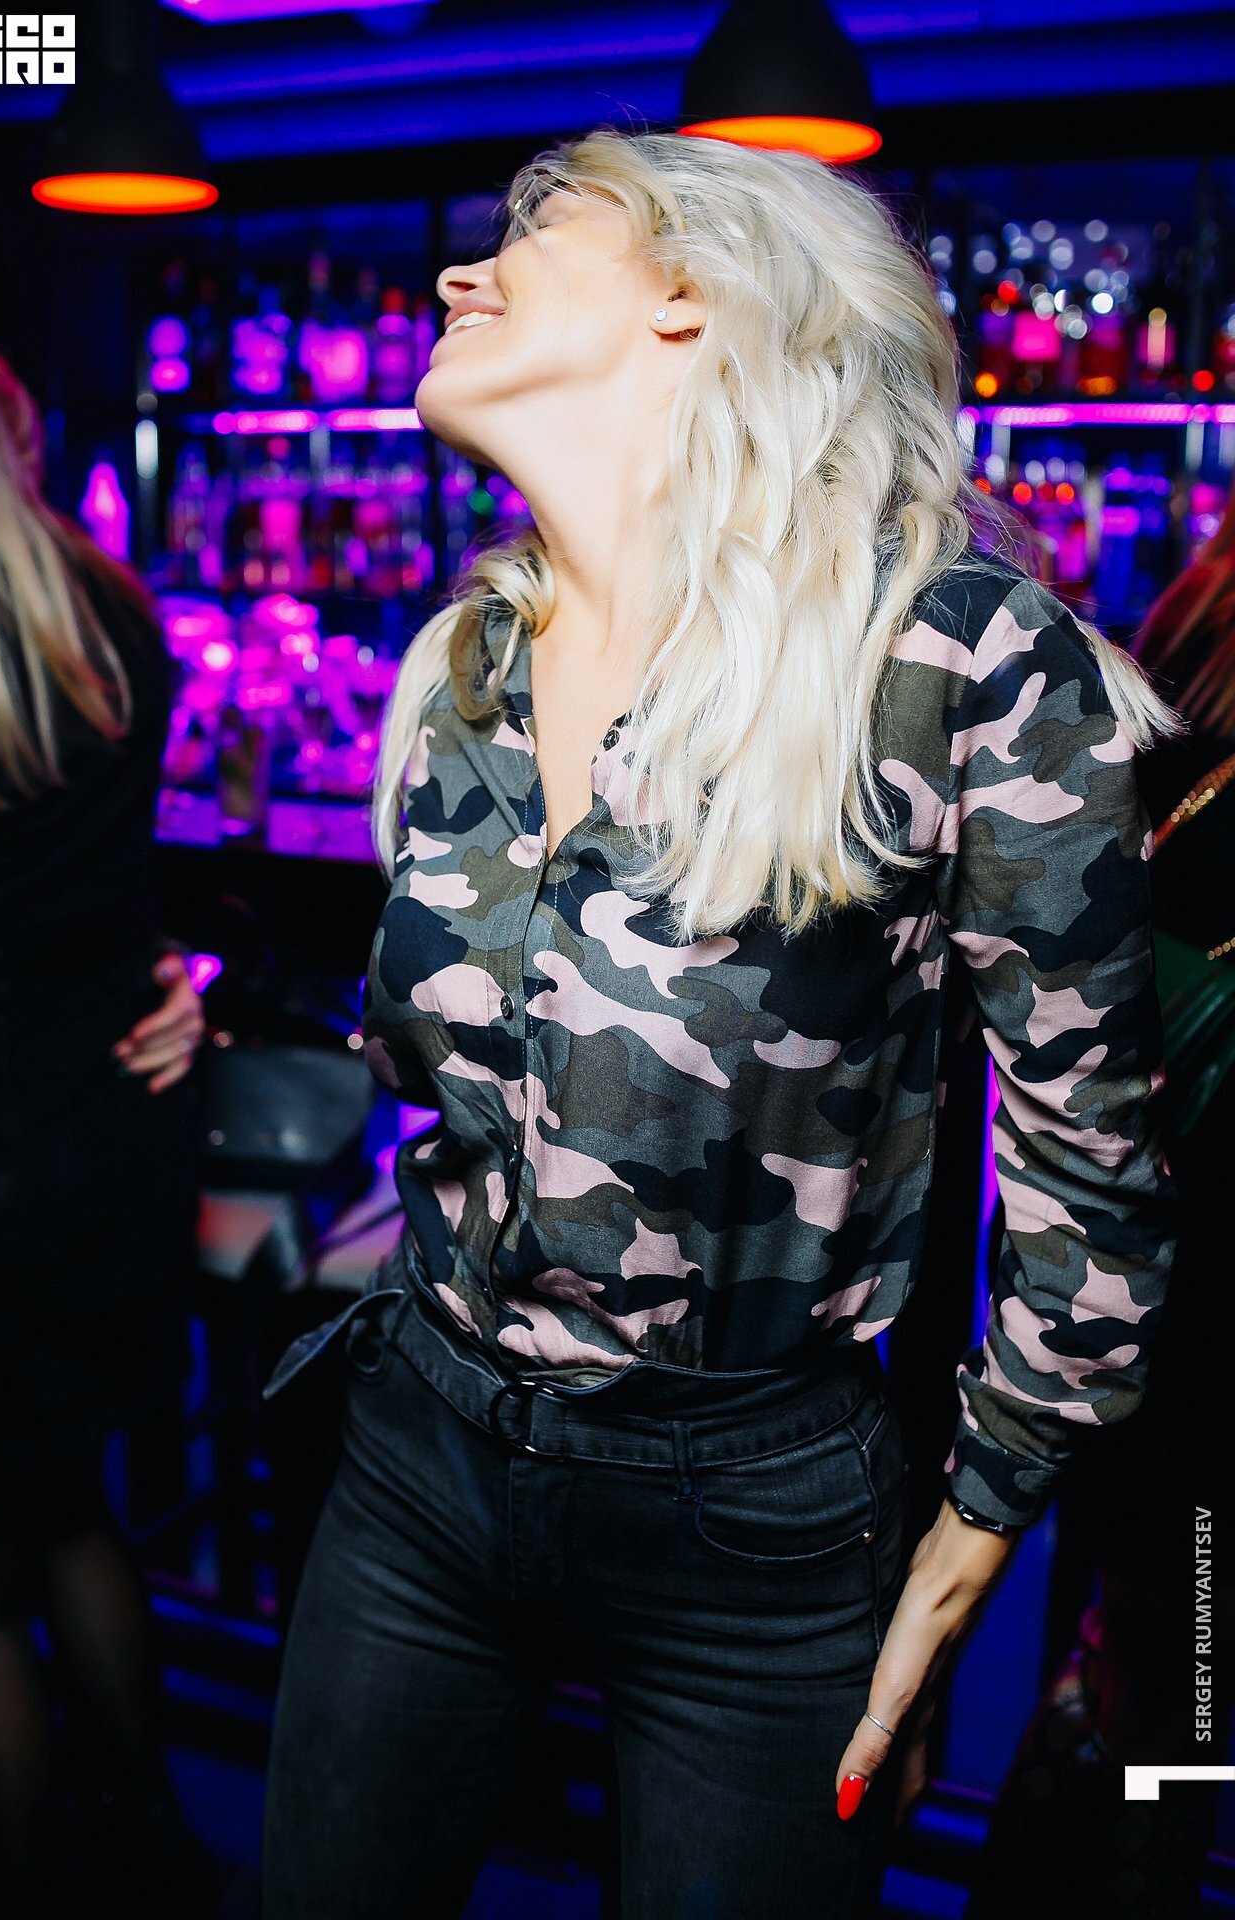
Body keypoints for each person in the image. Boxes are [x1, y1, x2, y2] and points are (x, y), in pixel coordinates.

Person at [258, 128, 1178, 1920]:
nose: (460, 271)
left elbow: (1091, 1151)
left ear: (694, 297)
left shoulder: (956, 663)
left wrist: (980, 1522)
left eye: (536, 227)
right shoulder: (469, 663)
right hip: (422, 1449)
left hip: (749, 1519)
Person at [0, 337, 210, 1918]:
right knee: (69, 1503)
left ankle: (26, 1887)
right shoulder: (108, 613)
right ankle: (155, 1854)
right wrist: (173, 975)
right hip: (105, 1126)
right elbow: (121, 878)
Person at [965, 479, 1235, 1919]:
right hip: (1190, 1322)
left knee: (1142, 1660)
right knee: (1172, 1679)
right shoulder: (1187, 698)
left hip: (1127, 1279)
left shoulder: (1179, 669)